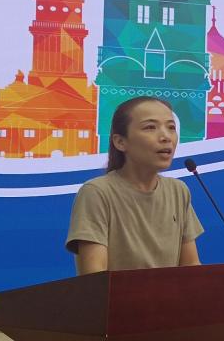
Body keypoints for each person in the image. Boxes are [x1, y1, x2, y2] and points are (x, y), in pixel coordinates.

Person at [65, 96, 204, 275]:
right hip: (117, 294)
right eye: (150, 127)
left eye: (171, 127)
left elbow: (191, 267)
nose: (166, 137)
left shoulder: (178, 190)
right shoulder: (97, 192)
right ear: (120, 142)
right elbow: (93, 277)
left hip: (170, 294)